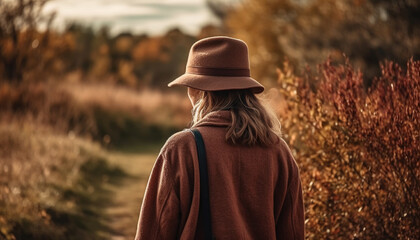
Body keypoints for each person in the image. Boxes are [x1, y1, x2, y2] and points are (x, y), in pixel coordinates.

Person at [134, 36, 304, 240]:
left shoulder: (181, 148)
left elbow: (154, 231)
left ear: (198, 90)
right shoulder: (279, 151)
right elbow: (293, 232)